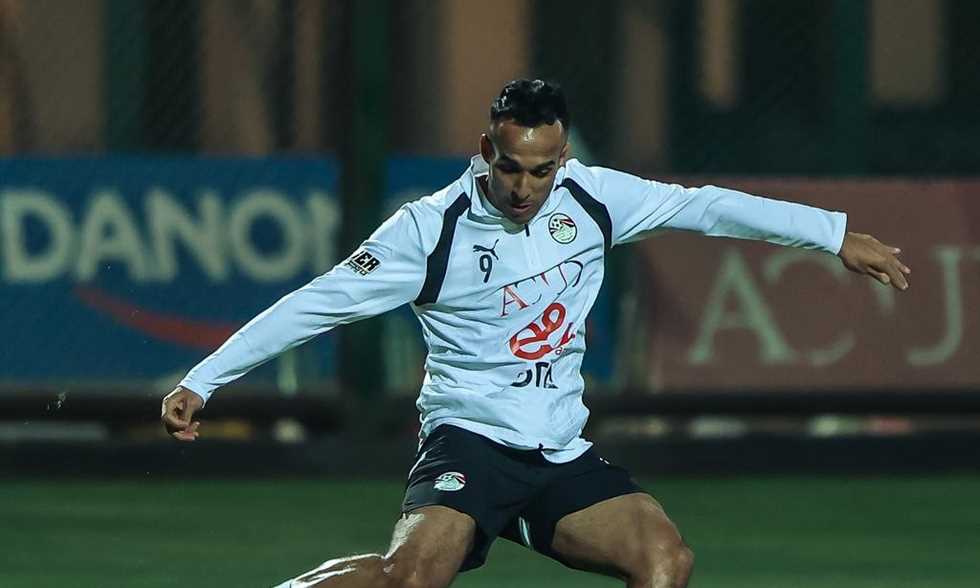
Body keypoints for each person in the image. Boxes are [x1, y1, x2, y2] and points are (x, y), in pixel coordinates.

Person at [161, 79, 910, 588]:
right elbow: (317, 303)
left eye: (542, 170)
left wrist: (833, 234)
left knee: (664, 560)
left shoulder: (594, 198)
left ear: (563, 157)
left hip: (557, 450)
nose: (525, 187)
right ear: (486, 150)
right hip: (470, 440)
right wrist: (204, 379)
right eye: (512, 167)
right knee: (411, 579)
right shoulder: (429, 230)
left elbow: (706, 206)